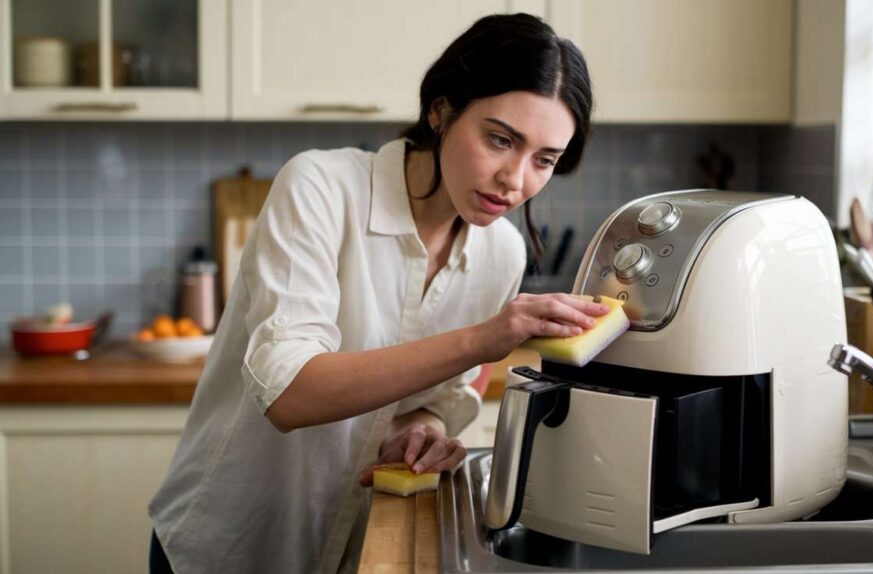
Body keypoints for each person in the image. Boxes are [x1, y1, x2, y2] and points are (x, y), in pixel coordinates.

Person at [147, 12, 602, 574]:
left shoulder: (502, 253)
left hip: (357, 546)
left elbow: (438, 400)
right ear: (440, 110)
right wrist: (485, 338)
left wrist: (421, 433)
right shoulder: (319, 189)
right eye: (500, 139)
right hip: (231, 547)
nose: (516, 180)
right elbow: (289, 393)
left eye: (545, 160)